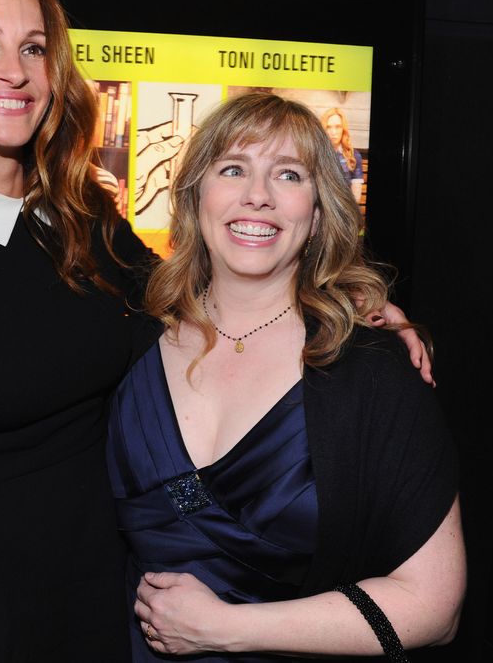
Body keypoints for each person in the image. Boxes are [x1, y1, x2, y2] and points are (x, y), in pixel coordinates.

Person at [0, 0, 431, 663]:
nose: (14, 71)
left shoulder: (79, 220)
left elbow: (195, 294)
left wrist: (354, 296)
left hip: (121, 594)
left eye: (33, 48)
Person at [106, 93, 465, 662]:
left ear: (318, 209)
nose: (257, 195)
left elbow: (435, 607)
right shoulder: (128, 343)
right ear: (195, 194)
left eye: (289, 175)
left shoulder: (371, 373)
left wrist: (225, 628)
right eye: (232, 168)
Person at [321, 106, 363, 187]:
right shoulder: (316, 153)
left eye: (338, 127)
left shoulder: (353, 156)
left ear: (343, 129)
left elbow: (356, 195)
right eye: (328, 127)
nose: (333, 132)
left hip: (344, 199)